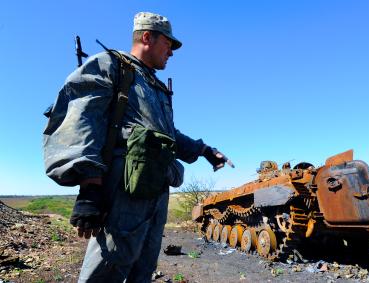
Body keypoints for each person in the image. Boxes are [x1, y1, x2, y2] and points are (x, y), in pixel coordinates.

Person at [43, 12, 233, 282]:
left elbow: (165, 135)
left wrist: (204, 150)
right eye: (168, 44)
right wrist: (90, 186)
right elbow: (82, 118)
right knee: (107, 269)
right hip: (123, 190)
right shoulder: (112, 66)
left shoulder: (154, 85)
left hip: (155, 190)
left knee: (142, 269)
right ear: (147, 37)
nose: (171, 52)